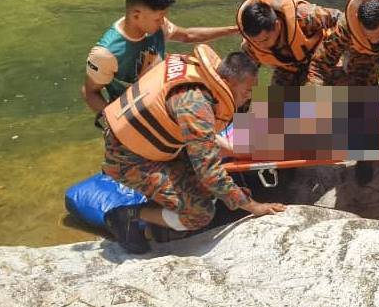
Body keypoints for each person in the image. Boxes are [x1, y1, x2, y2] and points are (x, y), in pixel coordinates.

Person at [100, 45, 285, 254]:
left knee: (206, 188)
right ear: (228, 82)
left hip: (146, 142)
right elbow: (209, 172)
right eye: (246, 92)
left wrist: (232, 149)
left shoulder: (198, 74)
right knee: (200, 213)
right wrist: (253, 206)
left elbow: (198, 133)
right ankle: (126, 215)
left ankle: (163, 215)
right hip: (128, 158)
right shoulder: (196, 103)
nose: (248, 98)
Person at [82, 0, 238, 124]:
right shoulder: (106, 53)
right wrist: (114, 125)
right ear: (136, 16)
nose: (163, 21)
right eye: (158, 18)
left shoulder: (157, 26)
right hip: (133, 124)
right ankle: (247, 143)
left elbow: (188, 35)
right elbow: (90, 92)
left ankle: (249, 143)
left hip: (164, 112)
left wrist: (234, 30)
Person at [236, 0, 341, 86]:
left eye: (265, 39)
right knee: (268, 104)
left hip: (322, 60)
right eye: (256, 42)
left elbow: (341, 19)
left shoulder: (304, 16)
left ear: (277, 25)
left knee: (322, 96)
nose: (261, 45)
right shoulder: (250, 46)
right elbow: (244, 78)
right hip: (287, 70)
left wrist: (341, 50)